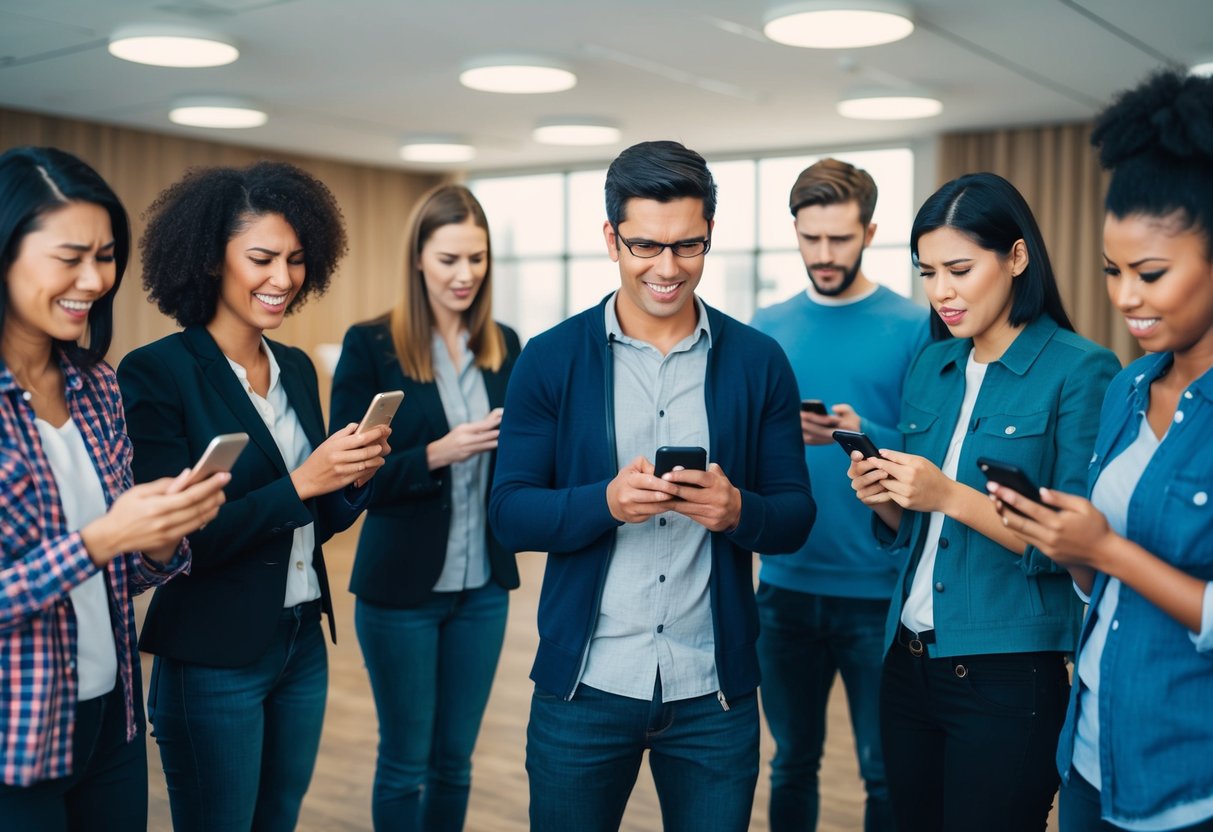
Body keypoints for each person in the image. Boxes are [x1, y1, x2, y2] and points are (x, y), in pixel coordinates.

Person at [489, 140, 815, 832]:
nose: (667, 269)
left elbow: (793, 517)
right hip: (584, 688)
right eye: (644, 246)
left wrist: (736, 512)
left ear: (709, 237)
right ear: (610, 238)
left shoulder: (759, 362)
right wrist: (602, 503)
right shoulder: (549, 359)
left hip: (713, 696)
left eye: (686, 246)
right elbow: (510, 515)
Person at [117, 161, 390, 832]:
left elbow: (310, 520)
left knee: (278, 820)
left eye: (297, 260)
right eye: (262, 258)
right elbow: (178, 542)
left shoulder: (294, 367)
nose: (284, 278)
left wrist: (351, 480)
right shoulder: (156, 373)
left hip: (299, 641)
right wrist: (303, 481)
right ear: (211, 259)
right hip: (212, 654)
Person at [845, 171, 1120, 831]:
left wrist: (948, 494)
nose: (941, 292)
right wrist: (885, 499)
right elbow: (915, 529)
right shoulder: (931, 368)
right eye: (927, 272)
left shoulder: (1082, 370)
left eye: (959, 269)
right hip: (905, 659)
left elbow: (1074, 543)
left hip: (1007, 673)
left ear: (1016, 256)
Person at [990, 70, 1213, 832]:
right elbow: (1098, 587)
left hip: (1188, 776)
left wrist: (1108, 550)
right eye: (1112, 272)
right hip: (1088, 754)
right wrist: (1068, 543)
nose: (1124, 297)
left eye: (1150, 274)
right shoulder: (1125, 388)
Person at [0, 146, 226, 830]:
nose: (95, 279)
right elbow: (85, 553)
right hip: (14, 742)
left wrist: (158, 540)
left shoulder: (96, 385)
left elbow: (116, 574)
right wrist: (100, 539)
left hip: (111, 718)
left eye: (106, 256)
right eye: (70, 257)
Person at [328, 184, 521, 831]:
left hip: (482, 589)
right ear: (418, 259)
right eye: (448, 260)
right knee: (405, 762)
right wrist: (439, 452)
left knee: (454, 763)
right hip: (400, 593)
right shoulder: (371, 346)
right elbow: (350, 482)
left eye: (476, 258)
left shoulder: (505, 346)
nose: (464, 275)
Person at [749, 158, 928, 832]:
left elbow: (930, 444)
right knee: (791, 761)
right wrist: (774, 432)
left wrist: (863, 433)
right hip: (784, 586)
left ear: (869, 232)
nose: (823, 255)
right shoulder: (766, 324)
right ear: (794, 232)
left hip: (876, 590)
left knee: (883, 770)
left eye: (839, 239)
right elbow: (738, 449)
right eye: (810, 238)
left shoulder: (913, 324)